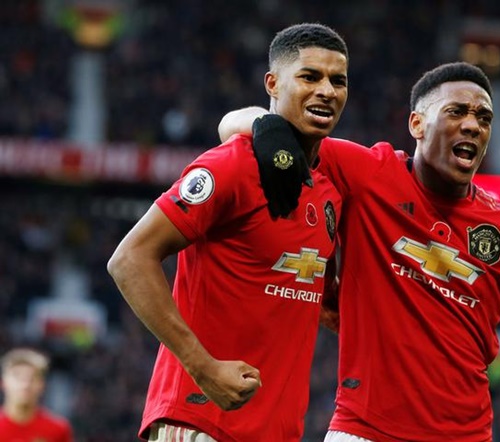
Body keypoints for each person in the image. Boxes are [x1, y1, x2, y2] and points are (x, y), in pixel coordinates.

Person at [218, 61, 500, 441]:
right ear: (417, 124)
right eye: (457, 112)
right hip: (364, 432)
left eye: (484, 118)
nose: (473, 125)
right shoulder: (368, 174)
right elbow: (239, 126)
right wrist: (267, 126)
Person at [107, 22, 349, 441]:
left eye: (338, 80)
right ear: (272, 83)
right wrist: (202, 366)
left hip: (277, 431)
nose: (327, 90)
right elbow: (128, 259)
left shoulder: (332, 184)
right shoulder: (233, 164)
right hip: (202, 420)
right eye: (310, 76)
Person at [0, 348, 74, 442]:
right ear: (3, 383)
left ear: (42, 385)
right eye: (18, 377)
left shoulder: (58, 429)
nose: (25, 384)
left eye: (32, 378)